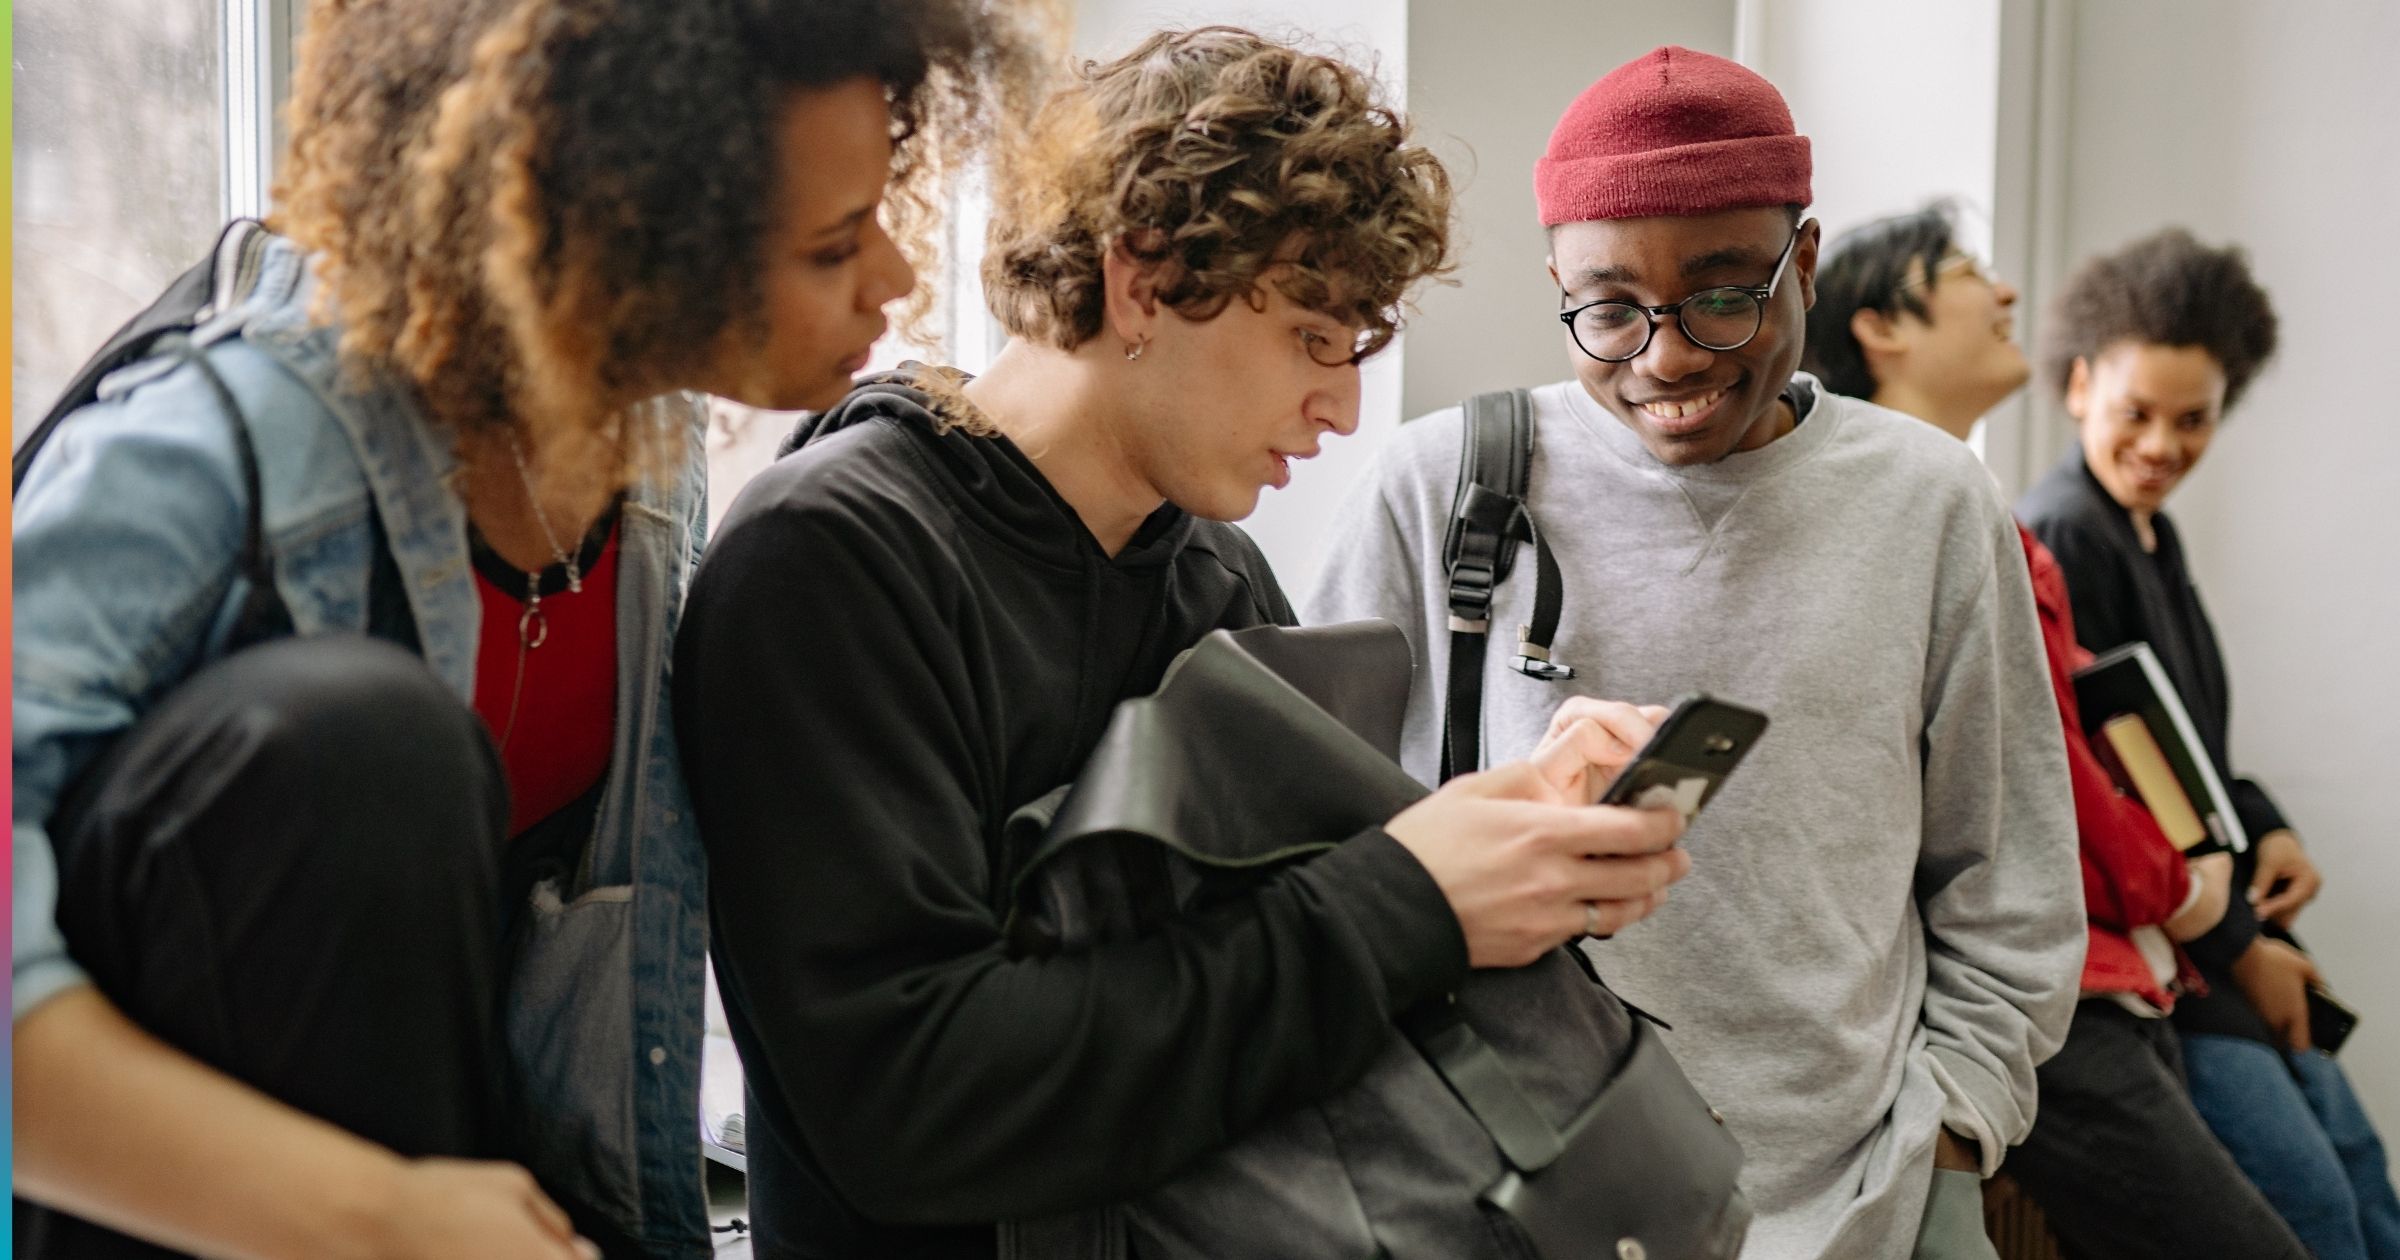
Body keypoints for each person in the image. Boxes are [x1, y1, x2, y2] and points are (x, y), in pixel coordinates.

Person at [9, 2, 1029, 1256]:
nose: (896, 277)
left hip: (419, 1170)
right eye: (833, 246)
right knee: (362, 737)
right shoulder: (226, 441)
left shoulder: (639, 441)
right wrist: (379, 1216)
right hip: (183, 1194)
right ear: (616, 238)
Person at [676, 27, 1697, 1258]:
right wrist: (1412, 897)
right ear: (1143, 282)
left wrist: (1511, 844)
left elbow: (1293, 989)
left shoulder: (1216, 574)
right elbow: (915, 1106)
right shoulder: (831, 560)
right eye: (1313, 338)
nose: (1343, 408)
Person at [1310, 47, 2085, 1260]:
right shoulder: (1441, 486)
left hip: (1862, 1208)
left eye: (1724, 297)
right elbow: (1315, 852)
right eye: (1609, 308)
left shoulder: (1932, 503)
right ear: (1558, 284)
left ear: (1805, 264)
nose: (1665, 357)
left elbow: (2009, 874)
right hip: (1506, 1197)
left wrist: (1949, 1138)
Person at [1807, 203, 2309, 1260]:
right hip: (2042, 985)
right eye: (1962, 269)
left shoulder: (1975, 511)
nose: (2005, 291)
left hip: (2086, 972)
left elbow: (2108, 747)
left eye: (2194, 419)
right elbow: (2052, 777)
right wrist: (2189, 895)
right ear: (1881, 328)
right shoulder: (1915, 521)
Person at [2018, 226, 2400, 1260]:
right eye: (2137, 413)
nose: (2162, 446)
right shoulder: (2066, 535)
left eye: (2193, 421)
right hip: (2175, 954)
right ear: (2080, 386)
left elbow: (2186, 745)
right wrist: (2242, 950)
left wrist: (2269, 830)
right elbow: (2114, 794)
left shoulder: (2147, 533)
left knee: (2361, 1191)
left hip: (2219, 934)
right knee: (2325, 1213)